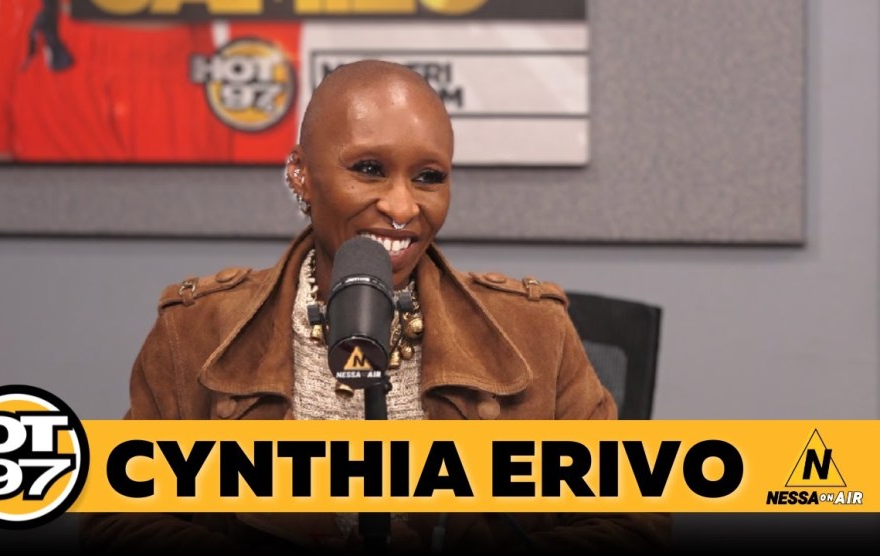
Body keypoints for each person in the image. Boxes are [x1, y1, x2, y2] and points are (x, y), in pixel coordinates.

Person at [80, 60, 671, 554]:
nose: (402, 207)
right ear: (300, 174)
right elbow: (116, 519)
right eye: (368, 169)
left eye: (429, 177)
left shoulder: (536, 330)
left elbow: (633, 520)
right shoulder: (195, 331)